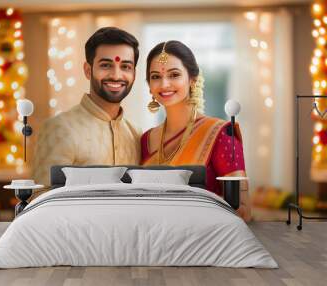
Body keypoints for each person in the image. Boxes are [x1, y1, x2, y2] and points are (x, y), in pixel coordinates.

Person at [141, 40, 251, 221]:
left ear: (192, 79)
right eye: (155, 77)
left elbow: (244, 210)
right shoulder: (146, 139)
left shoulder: (220, 134)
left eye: (174, 74)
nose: (164, 84)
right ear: (149, 86)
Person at [33, 27, 141, 186]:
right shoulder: (59, 128)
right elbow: (41, 199)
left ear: (134, 74)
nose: (116, 75)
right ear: (88, 70)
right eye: (106, 65)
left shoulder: (135, 134)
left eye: (125, 67)